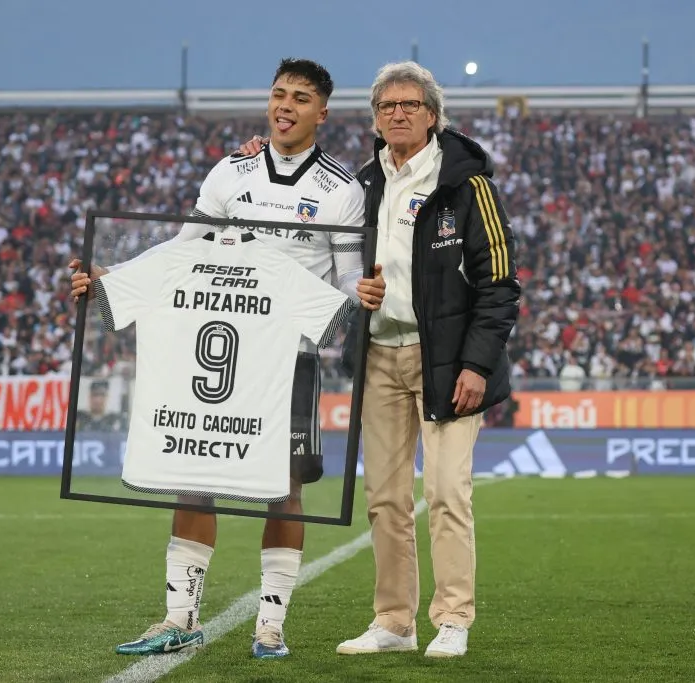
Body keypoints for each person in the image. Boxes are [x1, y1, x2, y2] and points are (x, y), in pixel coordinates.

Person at [69, 58, 386, 660]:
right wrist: (111, 277)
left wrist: (360, 294)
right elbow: (182, 251)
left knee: (284, 490)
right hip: (216, 353)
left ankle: (270, 624)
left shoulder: (341, 191)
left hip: (289, 358)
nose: (284, 106)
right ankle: (177, 616)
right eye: (277, 94)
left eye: (299, 97)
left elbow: (346, 276)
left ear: (322, 112)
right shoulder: (228, 173)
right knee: (193, 481)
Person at [241, 61, 519, 658]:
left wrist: (476, 364)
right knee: (385, 499)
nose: (397, 113)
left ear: (432, 116)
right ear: (374, 118)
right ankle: (394, 622)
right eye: (386, 106)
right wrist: (262, 156)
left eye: (409, 105)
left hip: (445, 360)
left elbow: (501, 285)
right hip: (378, 356)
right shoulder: (359, 185)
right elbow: (295, 187)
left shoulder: (466, 184)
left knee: (446, 491)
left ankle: (452, 618)